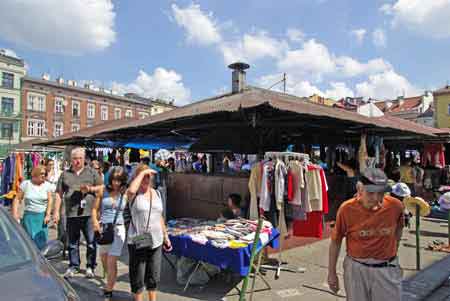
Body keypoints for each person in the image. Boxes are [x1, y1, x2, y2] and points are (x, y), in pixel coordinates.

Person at [328, 168, 404, 301]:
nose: (376, 199)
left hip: (386, 268)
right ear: (359, 189)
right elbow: (336, 241)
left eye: (380, 193)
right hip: (356, 269)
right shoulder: (346, 209)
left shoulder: (395, 206)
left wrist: (393, 251)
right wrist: (331, 273)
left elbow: (399, 228)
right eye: (370, 193)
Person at [54, 147, 104, 279]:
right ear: (71, 159)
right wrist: (56, 212)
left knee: (91, 242)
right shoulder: (65, 174)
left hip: (89, 213)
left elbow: (102, 188)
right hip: (72, 213)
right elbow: (59, 193)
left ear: (84, 159)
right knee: (72, 242)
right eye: (75, 159)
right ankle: (74, 266)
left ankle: (90, 266)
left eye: (80, 158)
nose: (77, 161)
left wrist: (90, 188)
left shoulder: (92, 172)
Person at [125, 164, 172, 301]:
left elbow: (160, 217)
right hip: (137, 239)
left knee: (153, 275)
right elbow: (131, 190)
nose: (147, 178)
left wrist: (166, 236)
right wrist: (142, 172)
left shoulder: (157, 193)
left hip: (156, 239)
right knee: (138, 275)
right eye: (144, 176)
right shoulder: (133, 194)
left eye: (149, 176)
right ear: (137, 178)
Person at [92, 167, 128, 300]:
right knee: (104, 258)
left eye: (119, 180)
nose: (116, 183)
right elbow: (94, 209)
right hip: (104, 229)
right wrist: (95, 222)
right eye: (114, 180)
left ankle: (109, 289)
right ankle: (109, 278)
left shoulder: (125, 193)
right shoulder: (103, 191)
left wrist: (143, 173)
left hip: (118, 229)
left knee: (112, 260)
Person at [11, 165, 54, 250]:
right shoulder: (26, 184)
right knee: (29, 241)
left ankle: (41, 260)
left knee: (41, 241)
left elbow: (50, 200)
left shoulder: (47, 185)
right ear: (35, 174)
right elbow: (17, 199)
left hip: (42, 217)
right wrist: (15, 214)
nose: (43, 175)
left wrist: (48, 214)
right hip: (29, 217)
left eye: (44, 174)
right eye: (41, 173)